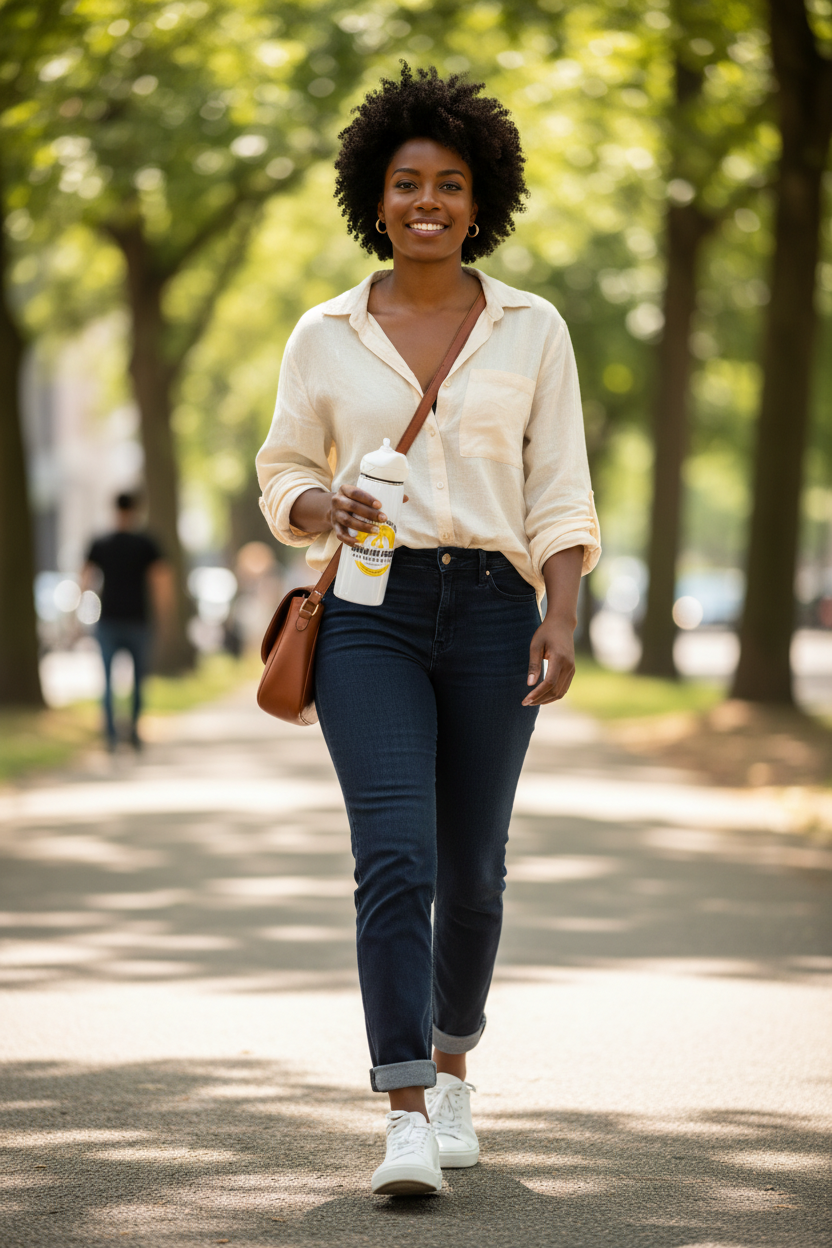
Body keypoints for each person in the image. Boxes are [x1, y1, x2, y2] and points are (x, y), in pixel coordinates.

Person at [256, 65, 601, 1196]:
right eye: (406, 183)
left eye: (449, 185)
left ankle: (455, 1067)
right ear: (375, 193)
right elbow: (281, 473)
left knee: (476, 872)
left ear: (478, 198)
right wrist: (321, 504)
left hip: (498, 612)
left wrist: (563, 610)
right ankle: (404, 1107)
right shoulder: (325, 332)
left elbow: (559, 488)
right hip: (369, 611)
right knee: (394, 857)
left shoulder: (531, 328)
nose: (427, 203)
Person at [82, 492, 173, 751]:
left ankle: (111, 738)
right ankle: (133, 735)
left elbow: (85, 580)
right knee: (138, 680)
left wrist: (79, 616)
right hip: (138, 620)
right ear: (136, 510)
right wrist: (164, 617)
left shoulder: (100, 542)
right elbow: (161, 583)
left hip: (108, 620)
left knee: (108, 682)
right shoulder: (146, 544)